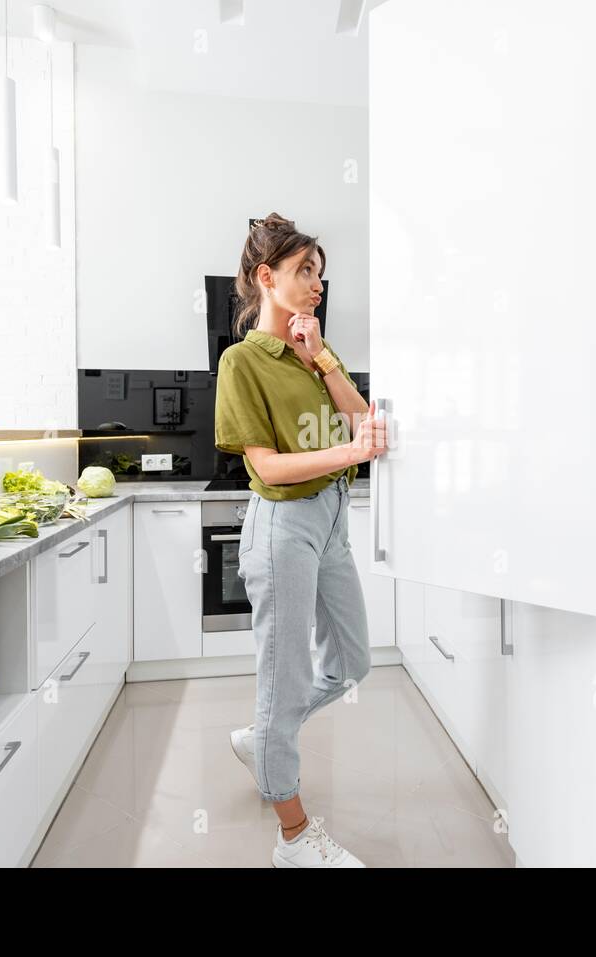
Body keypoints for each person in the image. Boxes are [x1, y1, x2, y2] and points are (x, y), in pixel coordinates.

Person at [214, 212, 388, 867]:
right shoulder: (243, 362)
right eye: (303, 271)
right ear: (267, 277)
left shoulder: (310, 354)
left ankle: (264, 737)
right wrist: (349, 449)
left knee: (352, 662)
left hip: (332, 520)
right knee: (283, 684)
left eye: (319, 271)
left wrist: (323, 358)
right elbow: (268, 467)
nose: (317, 283)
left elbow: (364, 420)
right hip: (283, 525)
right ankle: (293, 835)